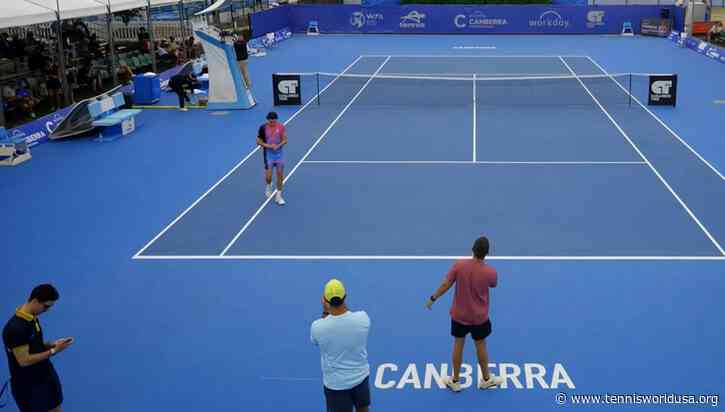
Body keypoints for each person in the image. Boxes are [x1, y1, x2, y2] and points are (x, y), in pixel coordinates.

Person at [426, 236, 503, 392]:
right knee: (481, 345)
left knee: (458, 344)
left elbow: (445, 284)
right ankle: (486, 380)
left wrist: (433, 298)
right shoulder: (491, 272)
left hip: (459, 316)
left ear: (472, 249)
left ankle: (455, 381)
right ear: (487, 253)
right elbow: (493, 285)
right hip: (479, 318)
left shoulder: (459, 266)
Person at [2, 284, 74, 412]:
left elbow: (33, 346)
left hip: (45, 376)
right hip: (28, 386)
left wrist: (53, 344)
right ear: (35, 301)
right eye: (46, 306)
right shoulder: (16, 328)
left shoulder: (32, 318)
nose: (47, 310)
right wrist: (53, 351)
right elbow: (24, 360)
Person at [311, 279, 371, 412]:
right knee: (363, 409)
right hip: (361, 378)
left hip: (336, 385)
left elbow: (315, 341)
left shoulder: (318, 327)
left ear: (325, 301)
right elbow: (347, 316)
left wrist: (326, 311)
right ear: (345, 297)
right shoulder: (363, 319)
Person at [256, 111, 287, 205]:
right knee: (268, 177)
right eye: (270, 120)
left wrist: (278, 145)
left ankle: (279, 196)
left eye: (274, 120)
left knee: (280, 175)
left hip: (279, 154)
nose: (272, 122)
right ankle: (269, 185)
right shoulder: (263, 128)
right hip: (268, 154)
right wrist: (269, 146)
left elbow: (285, 140)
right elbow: (258, 141)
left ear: (276, 119)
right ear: (268, 119)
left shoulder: (281, 127)